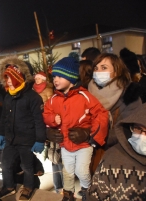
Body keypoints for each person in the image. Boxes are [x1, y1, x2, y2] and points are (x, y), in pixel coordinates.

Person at [43, 57, 109, 201]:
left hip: (84, 144)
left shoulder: (84, 96)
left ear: (71, 77)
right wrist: (52, 121)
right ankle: (68, 194)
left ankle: (87, 191)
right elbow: (46, 114)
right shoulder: (54, 99)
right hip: (66, 143)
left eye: (60, 76)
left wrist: (91, 135)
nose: (55, 80)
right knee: (67, 171)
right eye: (54, 76)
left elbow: (100, 114)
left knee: (81, 171)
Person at [0, 56, 46, 201]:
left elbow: (39, 120)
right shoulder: (8, 97)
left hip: (26, 139)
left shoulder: (33, 98)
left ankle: (28, 187)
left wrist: (40, 140)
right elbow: (4, 118)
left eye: (11, 78)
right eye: (6, 78)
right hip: (11, 138)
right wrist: (1, 134)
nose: (9, 81)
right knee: (6, 164)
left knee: (27, 166)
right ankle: (8, 186)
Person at [88, 53, 142, 177]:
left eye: (104, 67)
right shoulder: (86, 94)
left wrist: (94, 136)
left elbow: (128, 130)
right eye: (96, 68)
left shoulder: (130, 95)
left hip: (119, 160)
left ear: (117, 71)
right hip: (92, 158)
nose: (98, 71)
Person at [86, 103, 146, 200]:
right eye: (138, 128)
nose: (142, 136)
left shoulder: (131, 101)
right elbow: (95, 196)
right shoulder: (112, 158)